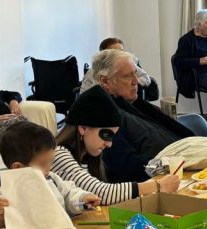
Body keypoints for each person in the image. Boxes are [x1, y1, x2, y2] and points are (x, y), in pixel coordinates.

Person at [52, 87, 184, 205]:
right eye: (105, 134)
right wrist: (157, 185)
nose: (109, 144)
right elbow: (101, 192)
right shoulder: (58, 154)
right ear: (83, 128)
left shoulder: (89, 157)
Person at [92, 49, 200, 183]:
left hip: (186, 170)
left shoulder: (140, 106)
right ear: (105, 82)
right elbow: (128, 170)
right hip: (163, 183)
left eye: (135, 74)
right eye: (127, 76)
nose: (136, 81)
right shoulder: (105, 117)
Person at [0, 122, 99, 218]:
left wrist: (82, 199)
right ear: (18, 168)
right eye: (42, 164)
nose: (48, 168)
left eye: (50, 161)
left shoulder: (52, 179)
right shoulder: (4, 195)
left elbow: (68, 194)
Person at [79, 37, 159, 101]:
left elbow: (146, 78)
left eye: (122, 52)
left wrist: (128, 84)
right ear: (103, 54)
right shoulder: (93, 72)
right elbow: (84, 96)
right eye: (115, 52)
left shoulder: (129, 65)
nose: (120, 55)